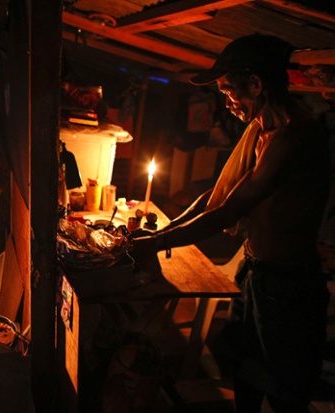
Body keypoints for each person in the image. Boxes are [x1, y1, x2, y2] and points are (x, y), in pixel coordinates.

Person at [132, 33, 331, 412]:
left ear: (256, 84)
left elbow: (228, 211)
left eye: (230, 92)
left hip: (288, 286)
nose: (227, 102)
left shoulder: (295, 137)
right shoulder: (261, 129)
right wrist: (166, 230)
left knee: (285, 387)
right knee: (245, 367)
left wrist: (153, 244)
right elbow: (217, 196)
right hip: (257, 274)